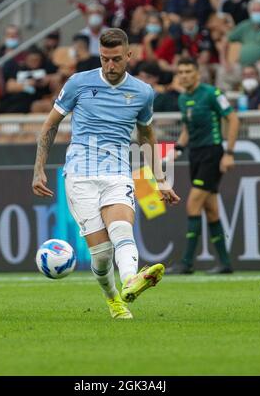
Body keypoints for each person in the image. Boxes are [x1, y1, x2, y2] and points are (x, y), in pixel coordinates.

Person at [32, 28, 180, 319]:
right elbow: (50, 125)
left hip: (117, 172)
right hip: (79, 174)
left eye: (115, 59)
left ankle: (131, 281)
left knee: (122, 228)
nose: (109, 66)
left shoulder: (142, 92)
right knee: (101, 255)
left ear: (128, 56)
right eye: (104, 59)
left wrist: (160, 180)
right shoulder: (78, 83)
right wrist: (38, 169)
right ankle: (113, 299)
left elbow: (147, 138)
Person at [168, 57, 239, 274]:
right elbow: (188, 129)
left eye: (189, 71)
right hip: (195, 155)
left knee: (193, 204)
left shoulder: (212, 94)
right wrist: (178, 149)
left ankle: (187, 262)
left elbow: (233, 119)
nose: (185, 75)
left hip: (212, 153)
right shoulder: (183, 99)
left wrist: (229, 153)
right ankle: (225, 264)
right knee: (211, 210)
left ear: (197, 73)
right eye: (181, 72)